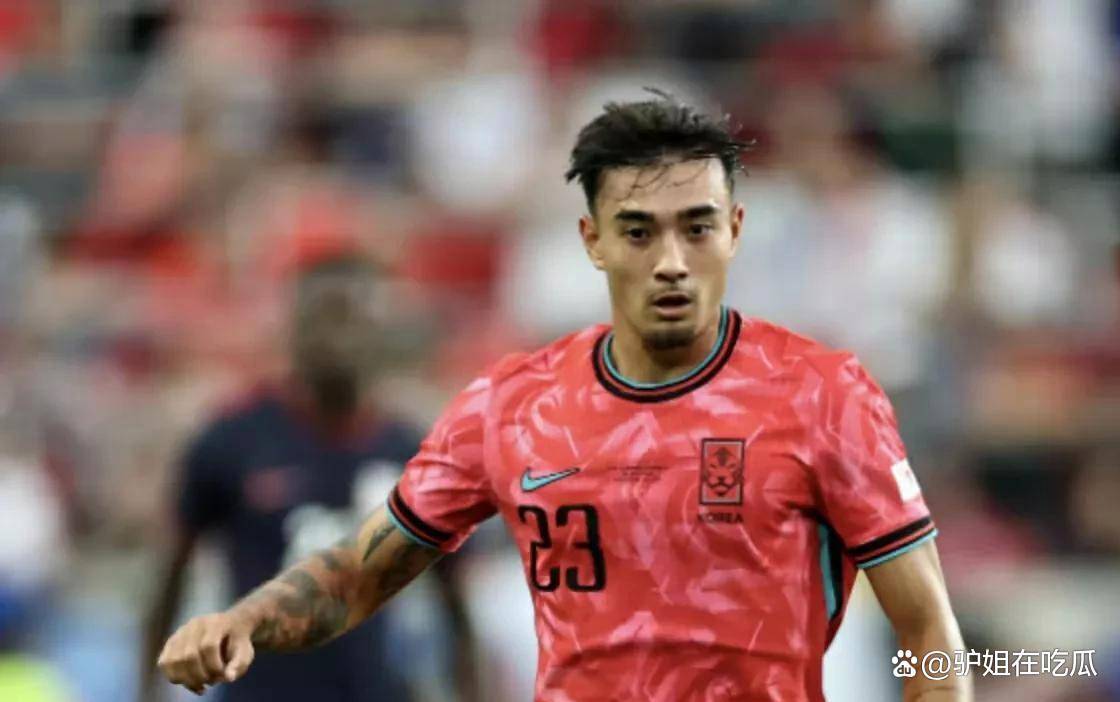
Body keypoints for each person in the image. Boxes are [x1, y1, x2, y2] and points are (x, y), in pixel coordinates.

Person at [157, 95, 970, 701]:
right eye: (639, 230)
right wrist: (242, 622)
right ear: (593, 241)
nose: (672, 261)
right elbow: (357, 574)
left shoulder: (822, 395)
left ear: (735, 229)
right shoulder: (511, 405)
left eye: (697, 226)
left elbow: (929, 629)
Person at [142, 254, 476, 702]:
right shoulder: (232, 441)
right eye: (324, 317)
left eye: (351, 319)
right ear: (293, 327)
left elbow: (454, 604)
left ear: (379, 331)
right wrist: (147, 689)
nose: (337, 338)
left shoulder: (414, 454)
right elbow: (170, 580)